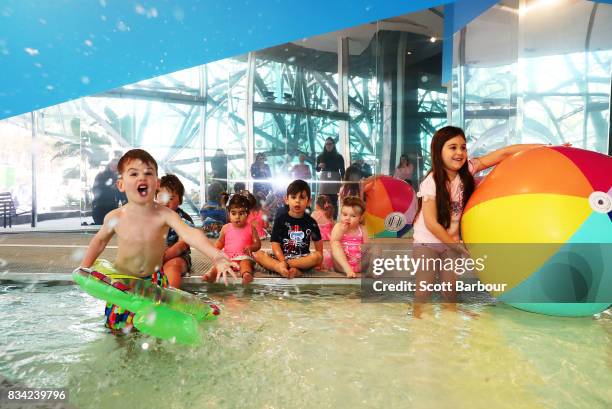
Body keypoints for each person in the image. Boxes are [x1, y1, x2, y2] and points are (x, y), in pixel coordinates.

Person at [80, 149, 237, 333]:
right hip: (123, 284)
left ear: (157, 183)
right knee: (119, 332)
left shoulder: (164, 214)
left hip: (154, 283)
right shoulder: (115, 216)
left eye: (148, 173)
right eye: (134, 173)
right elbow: (99, 242)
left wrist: (215, 255)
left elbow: (189, 233)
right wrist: (84, 269)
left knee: (156, 331)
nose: (142, 178)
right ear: (121, 184)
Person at [412, 126, 552, 314]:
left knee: (450, 291)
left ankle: (448, 328)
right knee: (424, 289)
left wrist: (544, 147)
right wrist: (457, 246)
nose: (460, 152)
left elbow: (503, 153)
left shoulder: (467, 170)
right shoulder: (432, 182)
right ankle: (417, 322)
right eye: (452, 147)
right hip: (427, 241)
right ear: (438, 151)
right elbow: (431, 223)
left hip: (450, 241)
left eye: (463, 147)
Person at [253, 179, 323, 278]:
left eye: (302, 198)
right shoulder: (281, 220)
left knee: (317, 256)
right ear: (286, 199)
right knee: (258, 254)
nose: (297, 201)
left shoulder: (311, 222)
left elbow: (318, 243)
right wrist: (282, 260)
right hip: (281, 257)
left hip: (301, 259)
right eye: (293, 197)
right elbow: (275, 244)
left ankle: (287, 267)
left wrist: (319, 262)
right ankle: (282, 267)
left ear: (308, 202)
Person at [204, 194, 261, 285]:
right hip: (228, 258)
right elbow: (220, 242)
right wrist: (215, 251)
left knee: (245, 264)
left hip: (244, 257)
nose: (237, 217)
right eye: (233, 213)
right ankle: (211, 275)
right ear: (229, 213)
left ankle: (246, 275)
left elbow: (258, 244)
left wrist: (251, 247)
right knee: (218, 265)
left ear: (248, 214)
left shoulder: (251, 228)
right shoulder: (226, 228)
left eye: (241, 213)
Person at [156, 174, 194, 289]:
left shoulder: (183, 218)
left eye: (171, 198)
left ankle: (170, 299)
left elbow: (182, 244)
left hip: (178, 257)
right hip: (154, 257)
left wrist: (163, 257)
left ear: (180, 200)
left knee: (173, 266)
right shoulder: (151, 216)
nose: (167, 202)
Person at [330, 196, 368, 278]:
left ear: (360, 218)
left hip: (359, 264)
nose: (347, 218)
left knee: (376, 249)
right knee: (335, 244)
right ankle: (348, 269)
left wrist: (363, 249)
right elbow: (333, 241)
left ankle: (373, 270)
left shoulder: (362, 229)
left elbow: (367, 246)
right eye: (344, 215)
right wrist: (342, 231)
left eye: (353, 216)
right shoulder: (338, 226)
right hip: (342, 265)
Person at [316, 137, 345, 218]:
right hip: (324, 179)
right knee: (322, 200)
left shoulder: (339, 156)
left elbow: (342, 170)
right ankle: (322, 218)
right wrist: (319, 166)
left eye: (330, 144)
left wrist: (343, 182)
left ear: (333, 145)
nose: (328, 146)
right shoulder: (320, 156)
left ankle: (333, 219)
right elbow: (317, 170)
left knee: (333, 200)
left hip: (335, 179)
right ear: (325, 145)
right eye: (326, 144)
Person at [91, 157, 125, 225]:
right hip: (100, 207)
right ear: (110, 165)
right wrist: (111, 188)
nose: (116, 168)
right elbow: (97, 191)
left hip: (112, 208)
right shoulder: (102, 175)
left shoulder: (119, 177)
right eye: (114, 165)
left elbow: (122, 193)